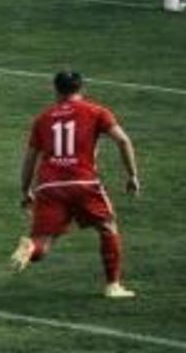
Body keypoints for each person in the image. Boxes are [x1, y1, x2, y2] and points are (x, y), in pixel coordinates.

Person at [10, 71, 142, 299]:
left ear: (56, 90)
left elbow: (30, 157)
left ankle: (30, 247)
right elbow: (123, 140)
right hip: (83, 183)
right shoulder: (96, 111)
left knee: (42, 244)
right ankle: (113, 286)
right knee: (107, 227)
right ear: (81, 89)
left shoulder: (43, 118)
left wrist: (25, 190)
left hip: (49, 187)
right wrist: (132, 175)